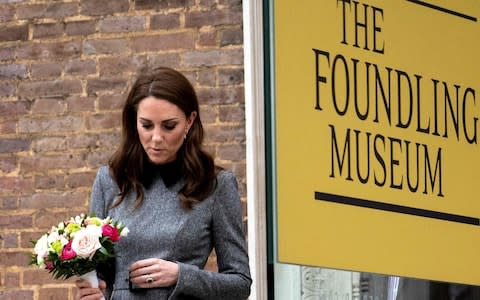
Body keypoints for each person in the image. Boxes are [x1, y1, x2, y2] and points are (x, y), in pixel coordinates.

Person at [75, 67, 252, 299]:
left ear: (190, 121)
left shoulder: (216, 185)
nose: (156, 138)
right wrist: (90, 292)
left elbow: (240, 284)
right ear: (133, 121)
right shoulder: (109, 181)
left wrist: (181, 275)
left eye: (169, 126)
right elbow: (99, 276)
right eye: (146, 126)